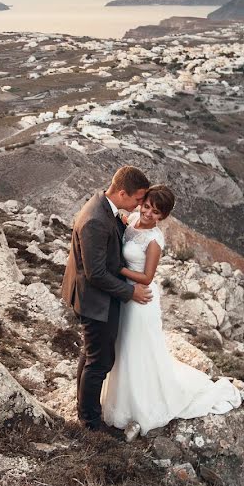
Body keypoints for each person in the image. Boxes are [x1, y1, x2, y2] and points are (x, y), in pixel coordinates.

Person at [101, 185, 242, 441]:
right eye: (146, 207)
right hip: (124, 295)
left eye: (155, 212)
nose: (148, 214)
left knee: (137, 349)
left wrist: (116, 268)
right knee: (123, 347)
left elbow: (147, 276)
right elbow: (119, 215)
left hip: (140, 299)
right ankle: (121, 399)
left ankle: (139, 405)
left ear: (162, 217)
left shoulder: (154, 241)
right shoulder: (132, 219)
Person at [60, 166, 153, 431]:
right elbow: (96, 273)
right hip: (94, 300)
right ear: (122, 193)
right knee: (100, 362)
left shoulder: (104, 208)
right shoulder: (96, 220)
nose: (138, 206)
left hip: (95, 297)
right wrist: (131, 291)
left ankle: (84, 410)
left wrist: (122, 227)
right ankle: (90, 422)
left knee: (92, 354)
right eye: (137, 200)